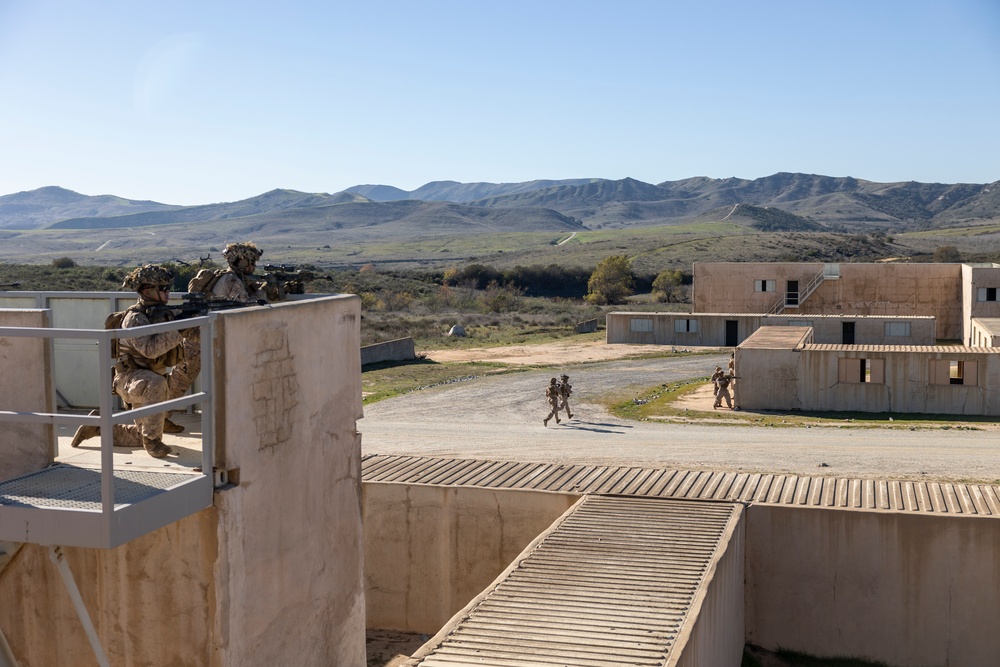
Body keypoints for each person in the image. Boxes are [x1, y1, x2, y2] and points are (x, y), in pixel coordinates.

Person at [70, 264, 194, 458]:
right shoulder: (135, 318)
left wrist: (196, 321)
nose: (168, 292)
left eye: (168, 288)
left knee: (139, 435)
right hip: (130, 380)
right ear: (147, 291)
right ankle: (153, 443)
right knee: (157, 387)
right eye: (163, 289)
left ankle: (99, 427)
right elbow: (151, 350)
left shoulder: (163, 314)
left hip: (151, 383)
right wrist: (180, 327)